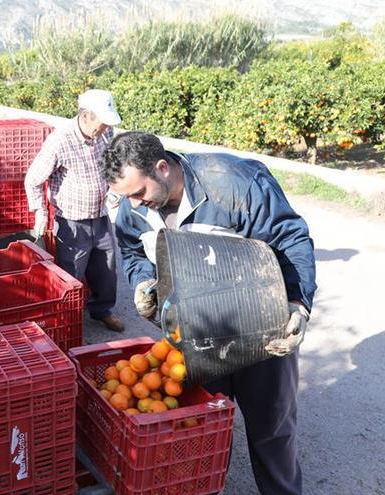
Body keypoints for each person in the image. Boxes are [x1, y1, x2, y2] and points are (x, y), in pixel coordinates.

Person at [100, 131, 317, 495]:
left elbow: (290, 238)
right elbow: (132, 250)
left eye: (139, 193)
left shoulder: (235, 185)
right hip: (195, 333)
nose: (134, 205)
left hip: (261, 326)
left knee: (271, 429)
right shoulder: (133, 207)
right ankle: (205, 485)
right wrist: (142, 283)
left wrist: (298, 304)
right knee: (203, 425)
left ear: (162, 168)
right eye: (127, 197)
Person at [24, 89, 126, 333]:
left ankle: (102, 310)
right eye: (101, 123)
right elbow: (33, 179)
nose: (104, 129)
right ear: (86, 115)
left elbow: (115, 165)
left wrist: (115, 192)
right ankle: (70, 319)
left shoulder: (106, 133)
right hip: (71, 221)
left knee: (106, 267)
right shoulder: (60, 140)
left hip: (100, 215)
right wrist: (40, 211)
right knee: (72, 272)